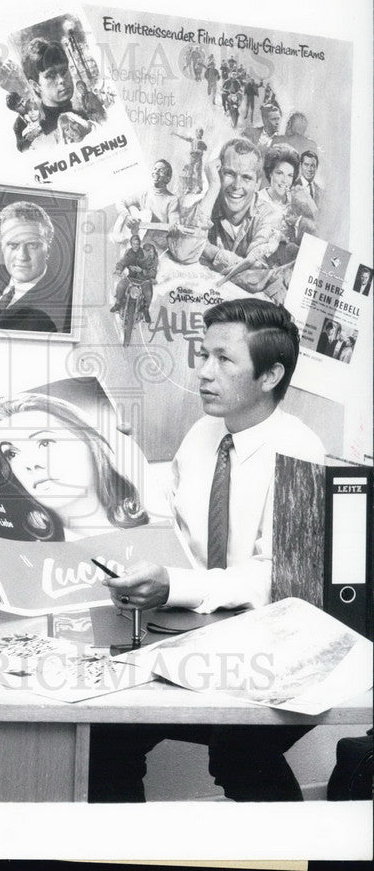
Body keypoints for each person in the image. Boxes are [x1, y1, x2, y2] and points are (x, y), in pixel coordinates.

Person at [89, 299, 325, 803]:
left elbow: (279, 579)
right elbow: (167, 516)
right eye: (203, 355)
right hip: (196, 639)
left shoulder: (303, 452)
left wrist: (174, 585)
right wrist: (118, 455)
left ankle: (303, 857)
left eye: (223, 359)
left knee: (239, 752)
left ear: (270, 375)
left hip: (275, 649)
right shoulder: (203, 434)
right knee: (104, 733)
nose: (203, 373)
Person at [0, 392, 149, 542]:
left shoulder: (152, 513)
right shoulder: (36, 557)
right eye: (12, 454)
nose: (30, 464)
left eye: (45, 443)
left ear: (90, 442)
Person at [0, 200, 72, 334]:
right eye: (13, 245)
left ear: (48, 248)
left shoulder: (62, 306)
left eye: (32, 245)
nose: (22, 256)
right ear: (2, 245)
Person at [197, 138, 283, 292]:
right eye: (229, 173)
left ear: (257, 183)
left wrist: (208, 251)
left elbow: (255, 274)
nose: (237, 186)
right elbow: (187, 244)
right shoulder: (207, 204)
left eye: (246, 177)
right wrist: (214, 187)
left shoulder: (271, 216)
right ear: (218, 174)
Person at [257, 144, 317, 260]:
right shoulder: (257, 201)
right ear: (270, 173)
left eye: (290, 175)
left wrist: (309, 201)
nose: (285, 180)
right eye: (279, 173)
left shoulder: (296, 201)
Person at [20, 37, 87, 141]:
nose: (61, 80)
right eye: (50, 75)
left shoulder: (83, 115)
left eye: (64, 70)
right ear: (35, 86)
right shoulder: (42, 135)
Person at [110, 233, 158, 321]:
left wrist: (142, 271)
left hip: (143, 280)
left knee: (148, 293)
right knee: (121, 285)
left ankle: (146, 310)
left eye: (137, 244)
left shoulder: (145, 255)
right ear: (131, 244)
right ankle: (118, 303)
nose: (135, 246)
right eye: (133, 244)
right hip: (131, 278)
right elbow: (123, 261)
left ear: (140, 244)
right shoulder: (129, 252)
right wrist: (119, 269)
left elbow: (152, 270)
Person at [172, 128, 207, 193]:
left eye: (199, 132)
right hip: (192, 157)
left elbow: (205, 149)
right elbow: (184, 138)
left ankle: (199, 188)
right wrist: (176, 134)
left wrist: (199, 151)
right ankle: (189, 188)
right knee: (190, 172)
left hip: (198, 157)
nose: (197, 133)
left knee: (198, 172)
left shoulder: (202, 142)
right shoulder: (193, 140)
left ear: (201, 134)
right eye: (197, 132)